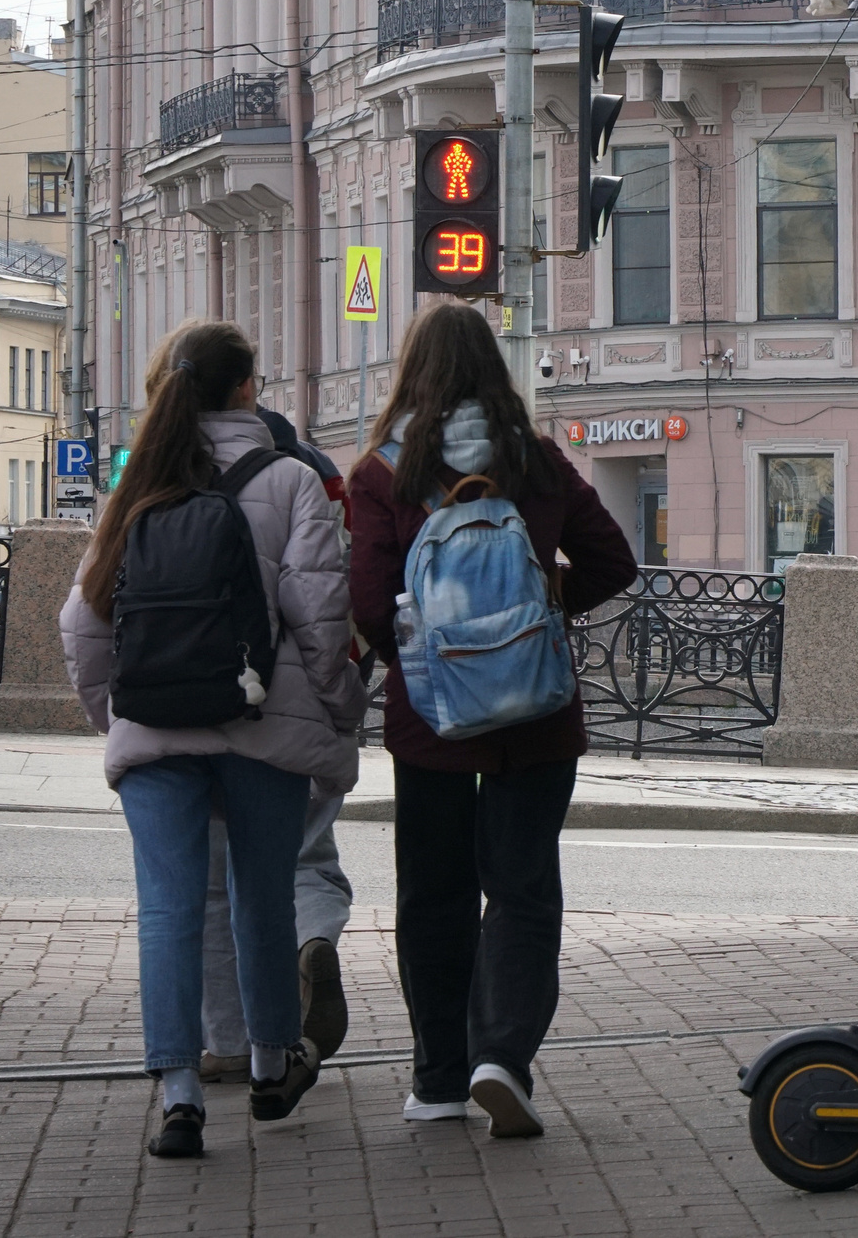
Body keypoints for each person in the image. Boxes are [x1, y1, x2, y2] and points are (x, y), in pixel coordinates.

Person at [60, 320, 361, 1160]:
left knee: (169, 911)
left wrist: (112, 713)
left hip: (157, 723)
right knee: (264, 897)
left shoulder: (142, 479)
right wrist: (340, 707)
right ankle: (270, 1067)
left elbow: (81, 618)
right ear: (246, 388)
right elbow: (318, 616)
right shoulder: (293, 479)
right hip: (260, 722)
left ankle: (181, 1095)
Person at [348, 302, 635, 1138]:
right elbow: (612, 560)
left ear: (413, 371)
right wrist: (546, 614)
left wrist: (433, 663)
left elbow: (368, 605)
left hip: (431, 723)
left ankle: (437, 1077)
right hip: (537, 716)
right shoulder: (537, 461)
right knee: (521, 890)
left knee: (433, 893)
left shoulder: (383, 472)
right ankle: (501, 1057)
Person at [200, 409, 358, 1082]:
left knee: (213, 880)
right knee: (305, 856)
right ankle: (312, 938)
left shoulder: (174, 471)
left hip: (195, 698)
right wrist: (343, 700)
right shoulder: (316, 475)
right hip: (296, 706)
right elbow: (327, 603)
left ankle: (230, 1042)